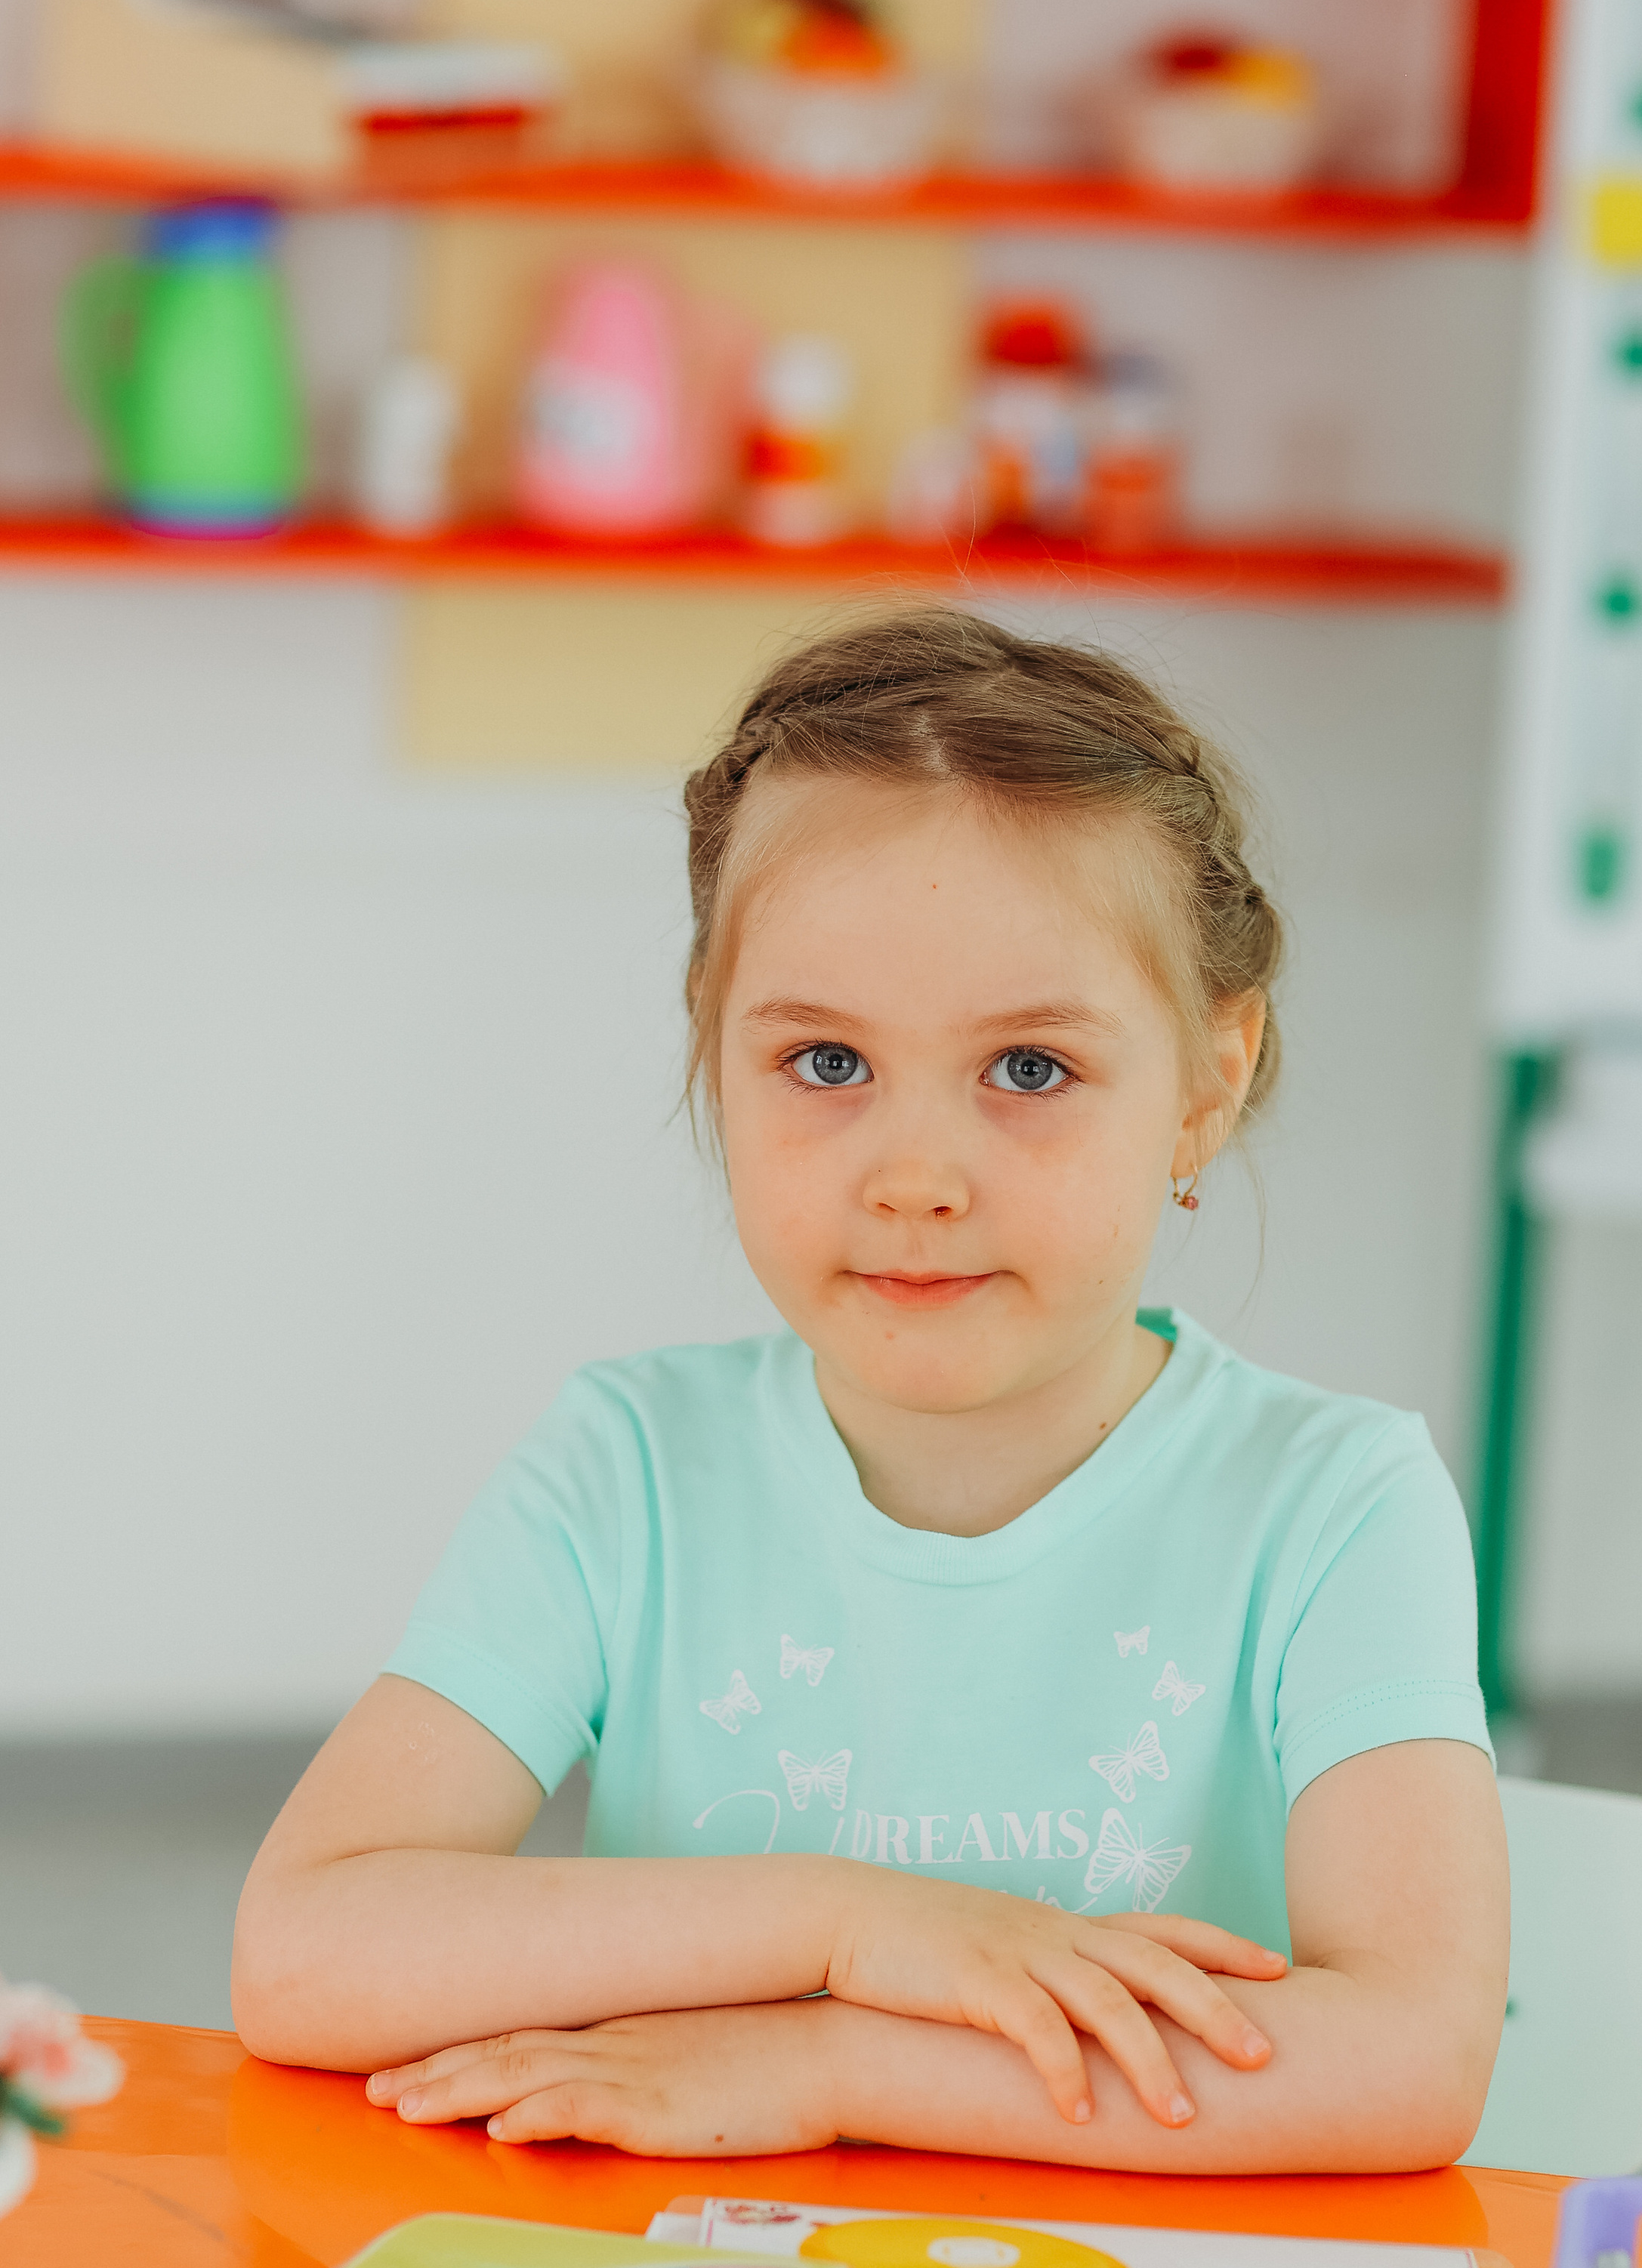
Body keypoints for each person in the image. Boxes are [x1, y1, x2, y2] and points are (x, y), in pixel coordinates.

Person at [233, 606, 1508, 2172]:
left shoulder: (1333, 1506)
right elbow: (301, 1952)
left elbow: (1408, 2058)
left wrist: (832, 2064)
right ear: (716, 1054)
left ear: (1206, 1081)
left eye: (1026, 1070)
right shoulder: (625, 1465)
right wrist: (850, 1923)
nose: (914, 1178)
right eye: (825, 1063)